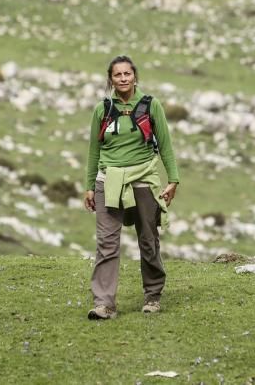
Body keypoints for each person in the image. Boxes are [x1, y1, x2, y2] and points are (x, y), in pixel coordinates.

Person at [84, 55, 180, 320]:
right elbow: (94, 150)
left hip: (143, 179)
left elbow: (165, 144)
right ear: (111, 79)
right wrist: (90, 186)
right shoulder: (102, 109)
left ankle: (153, 295)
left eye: (127, 74)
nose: (123, 79)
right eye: (118, 75)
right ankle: (104, 303)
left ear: (135, 77)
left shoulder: (151, 105)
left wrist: (173, 180)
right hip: (108, 180)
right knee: (106, 243)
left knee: (148, 239)